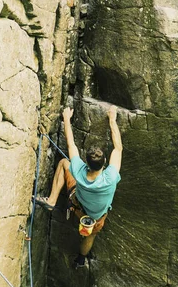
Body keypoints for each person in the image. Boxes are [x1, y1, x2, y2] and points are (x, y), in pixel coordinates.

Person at [36, 104, 122, 268]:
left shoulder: (78, 170)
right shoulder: (110, 177)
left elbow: (71, 145)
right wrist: (112, 119)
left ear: (86, 163)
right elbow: (118, 147)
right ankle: (81, 259)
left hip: (77, 207)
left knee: (63, 163)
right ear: (104, 163)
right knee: (90, 236)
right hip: (95, 218)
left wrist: (67, 119)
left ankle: (52, 200)